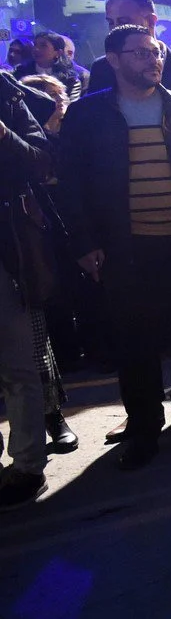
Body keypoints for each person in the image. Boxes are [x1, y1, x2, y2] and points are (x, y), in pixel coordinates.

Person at [54, 25, 171, 470]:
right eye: (138, 54)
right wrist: (83, 243)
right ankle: (145, 429)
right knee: (136, 347)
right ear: (113, 60)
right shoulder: (88, 116)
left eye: (155, 53)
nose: (152, 61)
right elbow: (71, 188)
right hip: (124, 251)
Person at [0, 106, 54, 507]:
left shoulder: (8, 96)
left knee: (17, 366)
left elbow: (41, 161)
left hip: (7, 253)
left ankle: (28, 466)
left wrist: (4, 134)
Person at [18, 31, 85, 100]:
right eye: (35, 45)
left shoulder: (70, 79)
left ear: (58, 53)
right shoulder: (20, 72)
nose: (36, 49)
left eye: (43, 46)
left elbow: (72, 106)